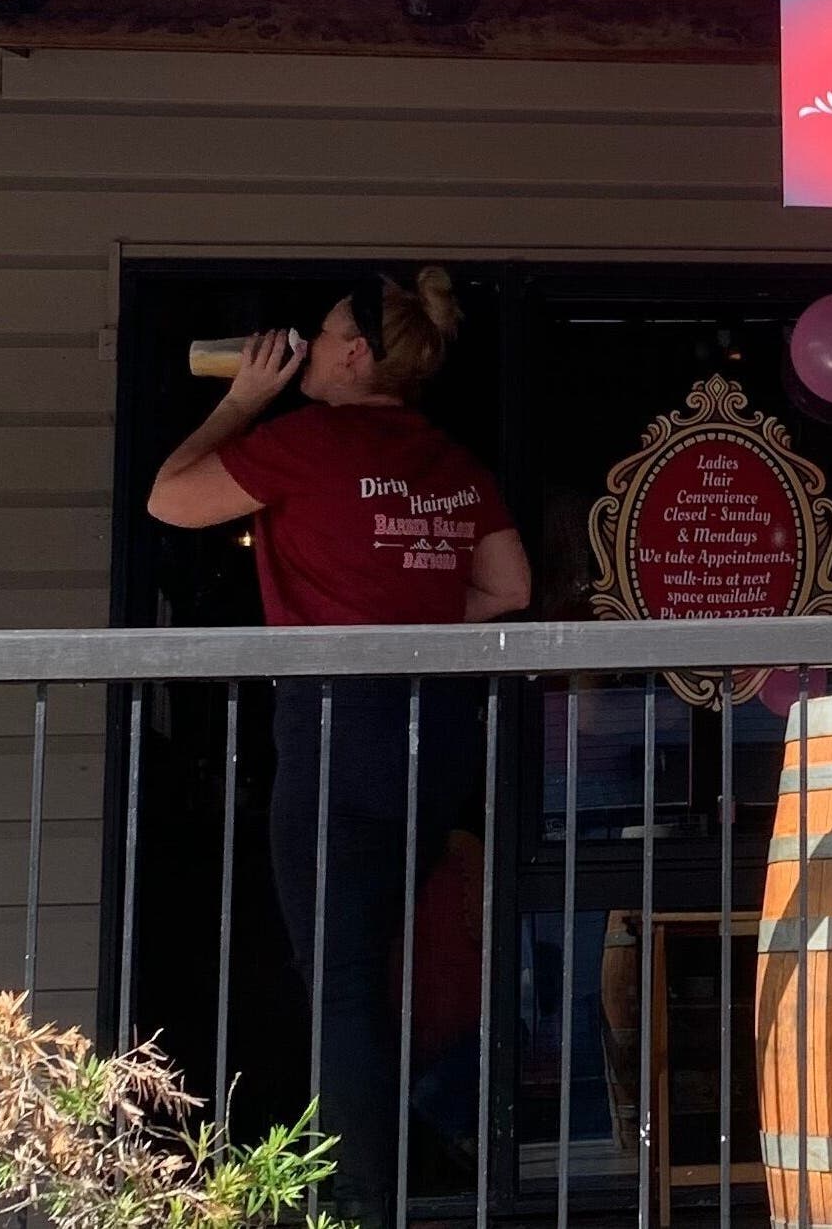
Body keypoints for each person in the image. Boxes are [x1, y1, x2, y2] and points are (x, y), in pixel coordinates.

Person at [147, 269, 530, 1229]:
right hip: (431, 738)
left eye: (316, 336)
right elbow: (510, 585)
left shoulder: (307, 443)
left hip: (337, 730)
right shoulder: (447, 457)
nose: (301, 348)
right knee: (377, 964)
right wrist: (414, 618)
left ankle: (360, 1200)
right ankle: (388, 1170)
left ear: (356, 353)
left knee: (344, 976)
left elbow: (170, 499)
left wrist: (240, 400)